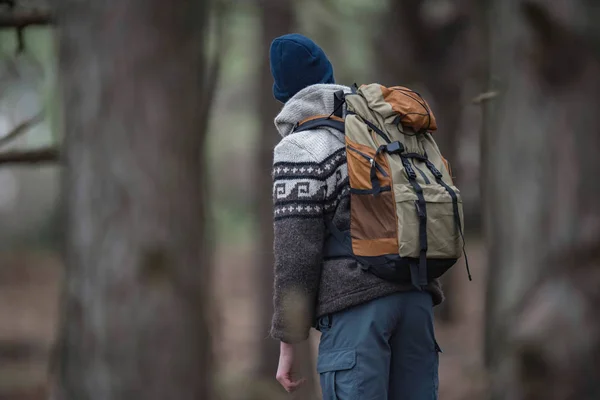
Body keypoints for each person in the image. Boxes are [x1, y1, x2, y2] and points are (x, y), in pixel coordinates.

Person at [269, 33, 444, 400]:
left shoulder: (300, 146)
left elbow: (296, 253)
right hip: (416, 299)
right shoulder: (378, 128)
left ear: (283, 94)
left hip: (358, 315)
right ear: (329, 76)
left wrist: (290, 341)